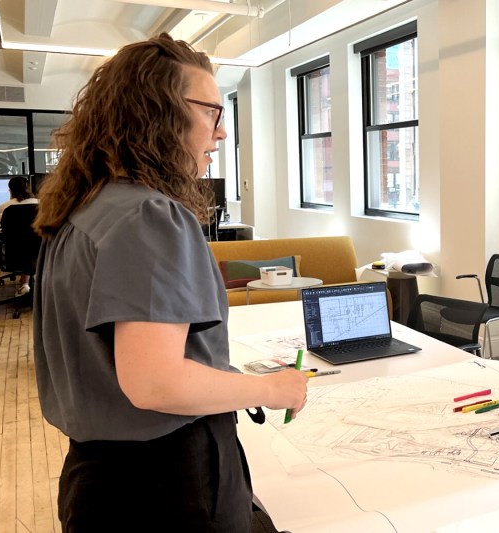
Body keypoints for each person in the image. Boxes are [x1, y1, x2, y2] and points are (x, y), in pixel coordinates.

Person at [32, 34, 308, 532]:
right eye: (213, 113)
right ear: (159, 113)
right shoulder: (150, 216)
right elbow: (155, 381)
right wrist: (271, 387)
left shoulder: (79, 212)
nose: (220, 134)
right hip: (166, 486)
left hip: (99, 478)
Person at [0, 176, 39, 295]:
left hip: (15, 254)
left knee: (24, 249)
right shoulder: (40, 204)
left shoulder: (5, 206)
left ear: (10, 190)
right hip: (40, 252)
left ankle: (25, 284)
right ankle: (34, 283)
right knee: (31, 251)